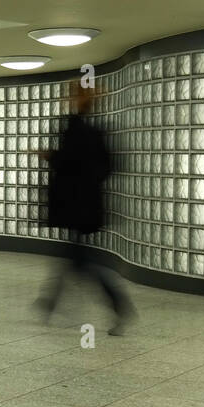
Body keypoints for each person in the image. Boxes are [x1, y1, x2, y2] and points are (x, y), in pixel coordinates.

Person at [35, 79, 135, 335]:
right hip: (86, 205)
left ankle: (119, 307)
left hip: (76, 205)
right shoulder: (95, 130)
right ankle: (48, 303)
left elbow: (69, 162)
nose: (68, 98)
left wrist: (51, 157)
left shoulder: (75, 128)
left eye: (73, 95)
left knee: (82, 261)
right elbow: (106, 166)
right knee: (75, 257)